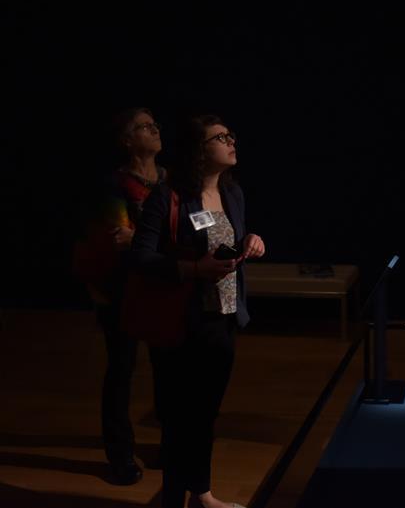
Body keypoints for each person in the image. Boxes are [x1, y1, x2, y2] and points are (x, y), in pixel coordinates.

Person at [131, 114, 265, 508]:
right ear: (199, 150)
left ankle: (202, 494)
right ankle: (174, 500)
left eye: (231, 135)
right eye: (220, 137)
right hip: (181, 321)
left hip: (223, 319)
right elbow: (140, 258)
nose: (231, 141)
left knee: (205, 415)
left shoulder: (233, 193)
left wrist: (250, 241)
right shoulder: (167, 195)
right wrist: (193, 269)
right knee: (178, 420)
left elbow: (229, 244)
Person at [72, 107, 165, 485]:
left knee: (168, 369)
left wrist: (147, 237)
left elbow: (175, 231)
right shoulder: (115, 185)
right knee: (122, 370)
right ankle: (120, 454)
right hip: (123, 290)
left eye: (155, 123)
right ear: (128, 140)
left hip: (162, 287)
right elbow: (119, 238)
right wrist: (156, 237)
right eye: (144, 126)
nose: (155, 129)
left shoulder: (170, 180)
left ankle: (170, 444)